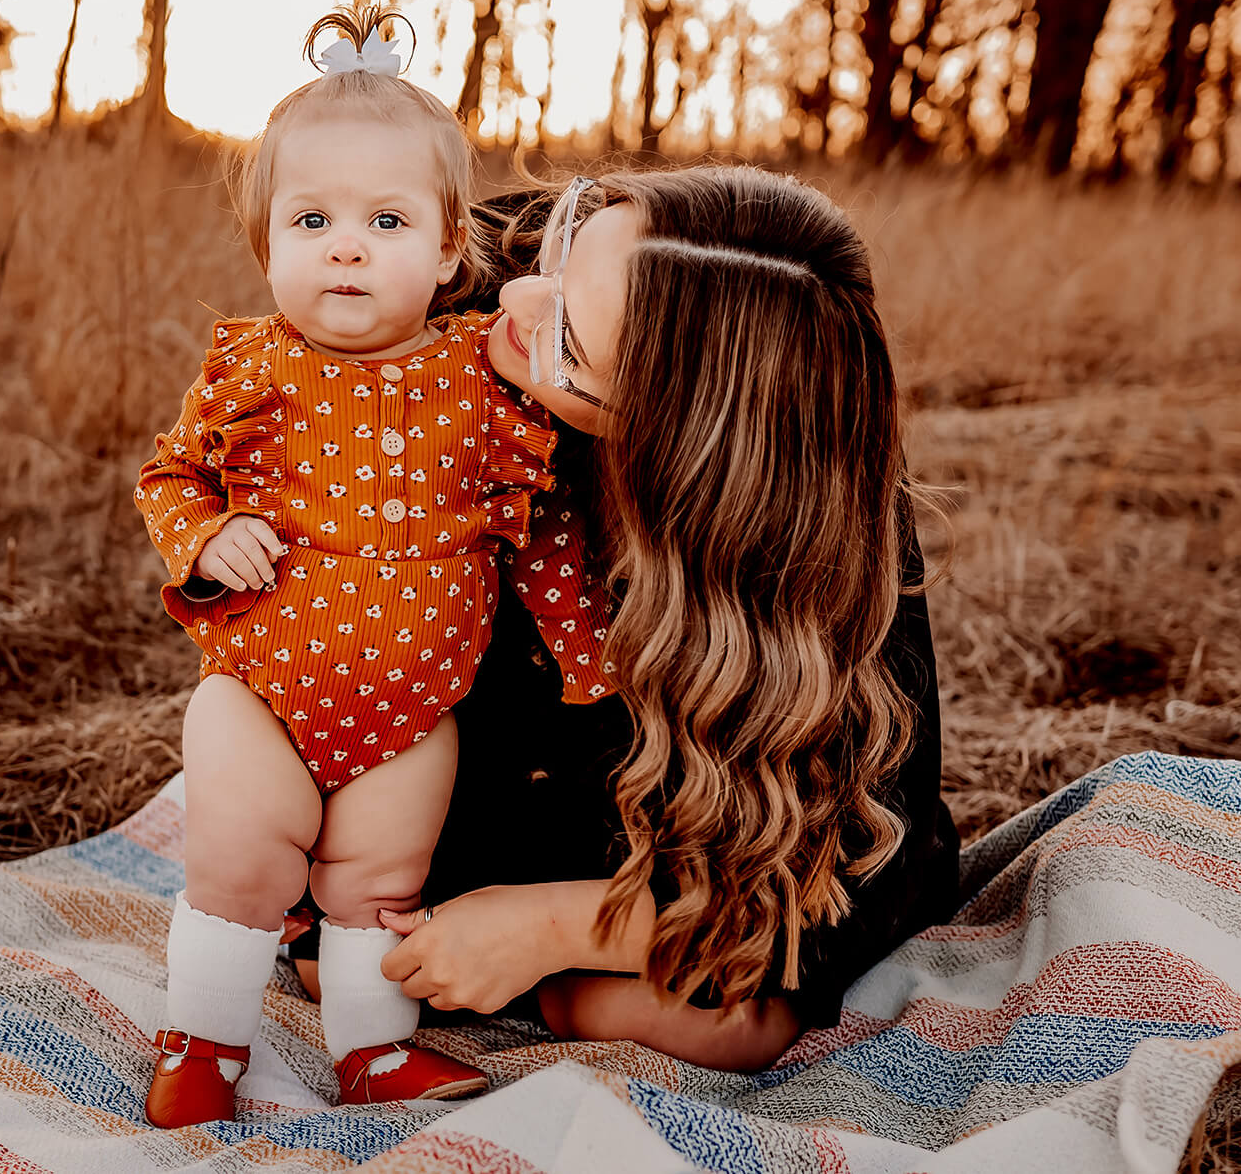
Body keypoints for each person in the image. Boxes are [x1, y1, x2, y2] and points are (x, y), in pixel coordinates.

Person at [288, 166, 961, 1071]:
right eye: (569, 241)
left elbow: (862, 862)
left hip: (640, 819)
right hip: (435, 757)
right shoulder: (466, 270)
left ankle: (586, 947)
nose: (519, 296)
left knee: (725, 1019)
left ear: (675, 450)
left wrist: (560, 925)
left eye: (567, 337)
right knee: (337, 956)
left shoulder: (810, 519)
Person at [132, 7, 612, 1127]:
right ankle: (204, 1035)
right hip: (261, 681)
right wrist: (203, 536)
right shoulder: (251, 367)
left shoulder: (482, 382)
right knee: (241, 864)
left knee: (377, 883)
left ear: (450, 250)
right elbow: (169, 478)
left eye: (384, 219)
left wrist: (584, 653)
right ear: (268, 248)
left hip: (416, 701)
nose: (344, 244)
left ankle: (371, 1050)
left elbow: (533, 529)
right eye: (312, 219)